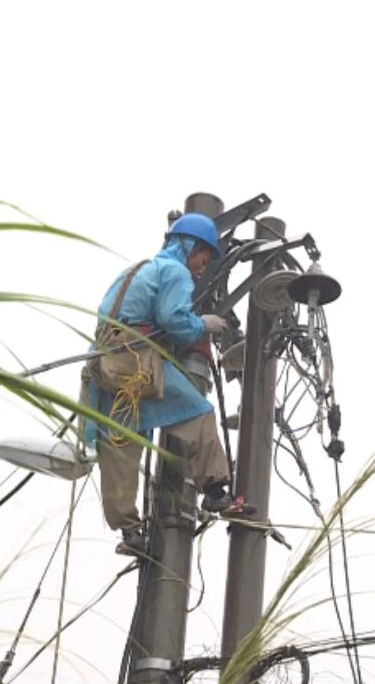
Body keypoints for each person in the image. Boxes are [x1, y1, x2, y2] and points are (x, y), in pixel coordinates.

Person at [81, 212, 254, 557]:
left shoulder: (137, 269)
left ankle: (130, 532)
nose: (203, 267)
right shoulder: (175, 271)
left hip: (105, 360)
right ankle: (216, 491)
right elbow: (173, 318)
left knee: (121, 443)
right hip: (135, 358)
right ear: (190, 245)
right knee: (197, 411)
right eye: (204, 257)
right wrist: (203, 324)